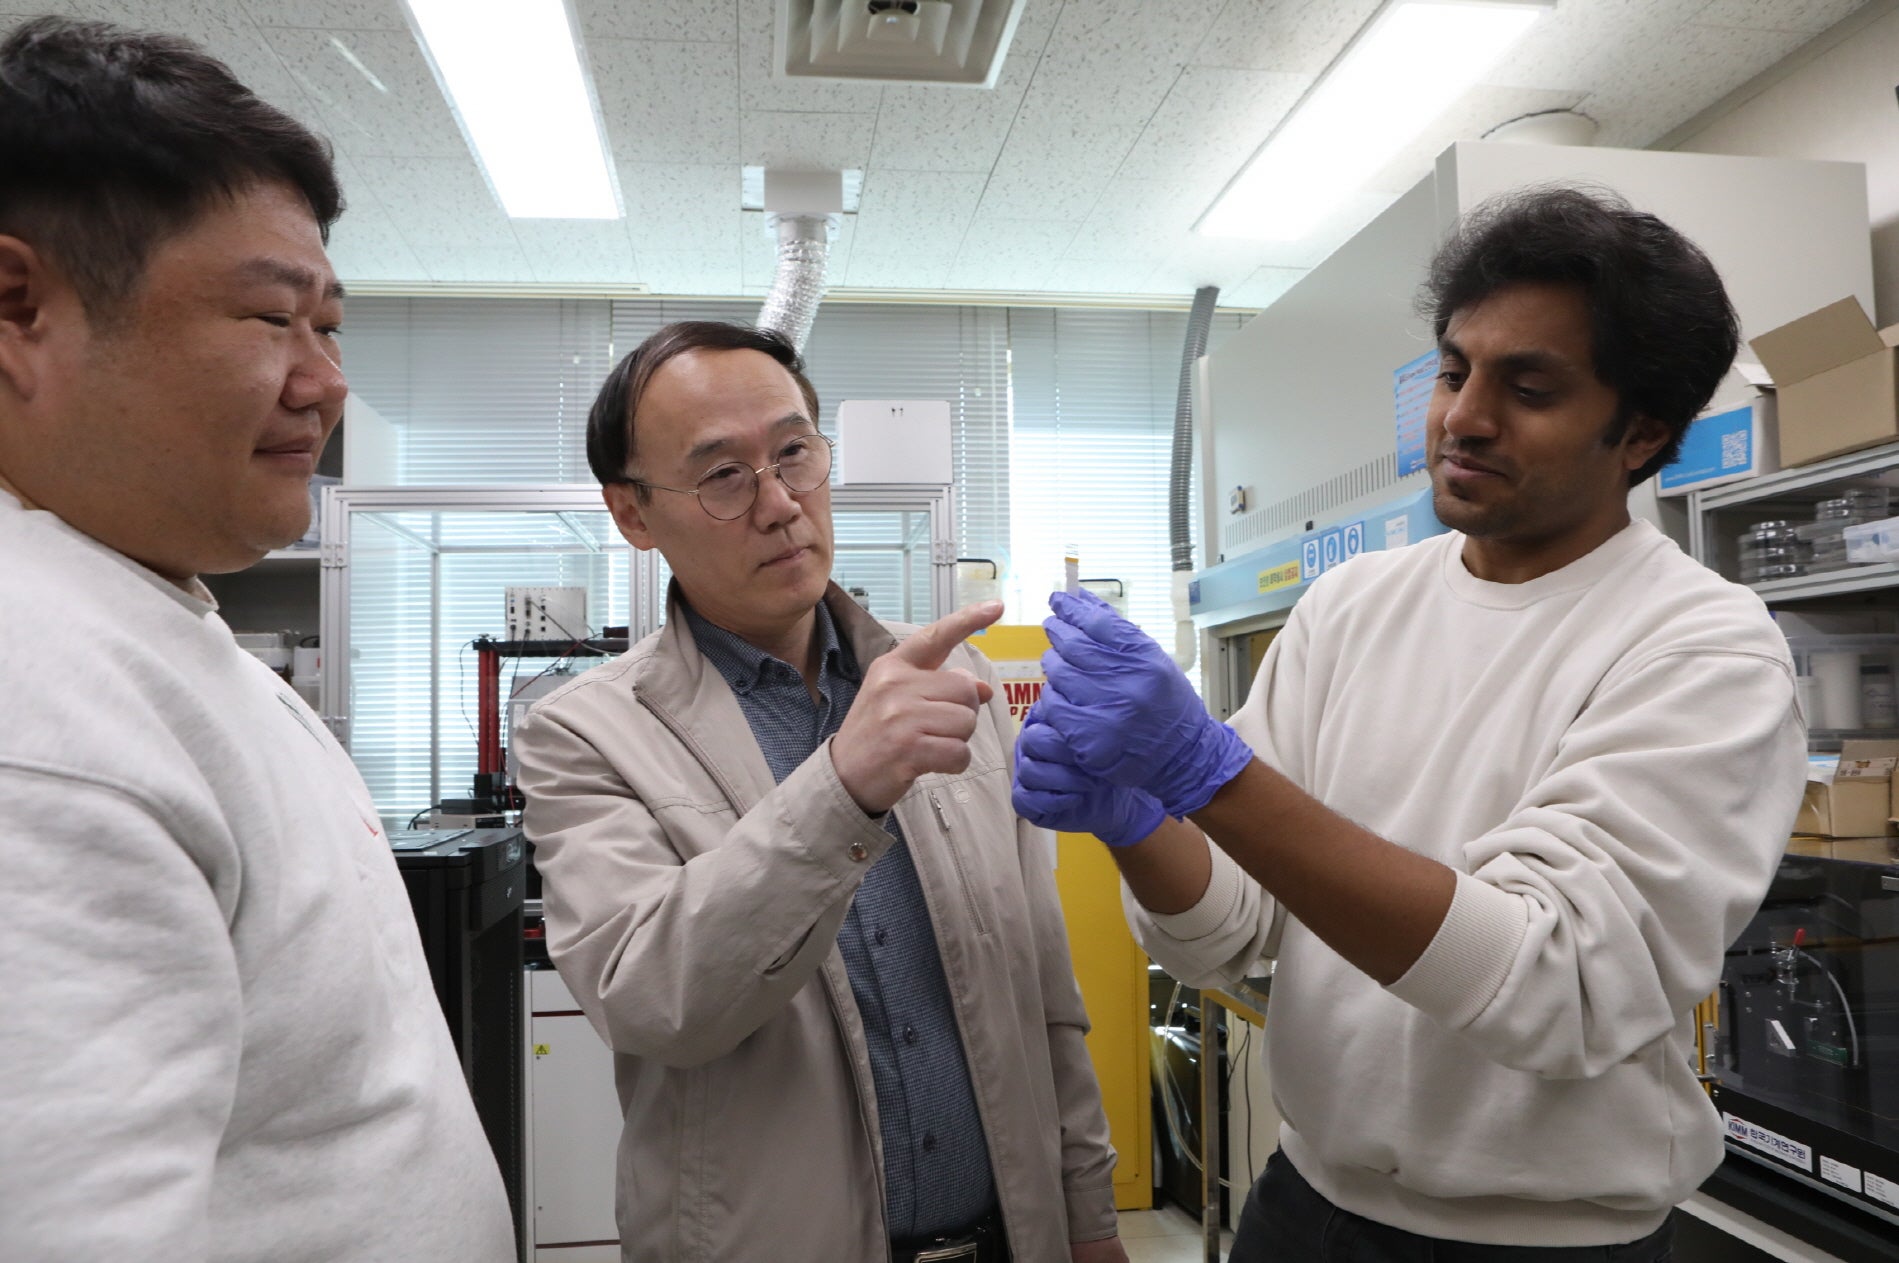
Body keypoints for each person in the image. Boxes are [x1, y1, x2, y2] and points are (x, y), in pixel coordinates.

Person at [1013, 187, 1808, 1260]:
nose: (1463, 417)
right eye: (1453, 370)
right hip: (1302, 1204)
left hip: (1543, 1245)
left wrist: (1207, 775)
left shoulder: (1700, 646)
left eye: (1528, 388)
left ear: (1643, 434)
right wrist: (1139, 823)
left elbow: (1551, 981)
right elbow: (1234, 931)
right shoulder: (1353, 605)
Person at [0, 18, 514, 1261]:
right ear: (21, 308)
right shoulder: (38, 704)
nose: (326, 381)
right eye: (271, 318)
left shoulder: (145, 626)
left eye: (329, 326)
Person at [512, 320, 1126, 1263]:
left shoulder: (949, 677)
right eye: (722, 475)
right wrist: (842, 789)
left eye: (794, 453)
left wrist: (1089, 1218)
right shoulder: (585, 731)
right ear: (633, 514)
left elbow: (1040, 982)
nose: (780, 504)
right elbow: (652, 997)